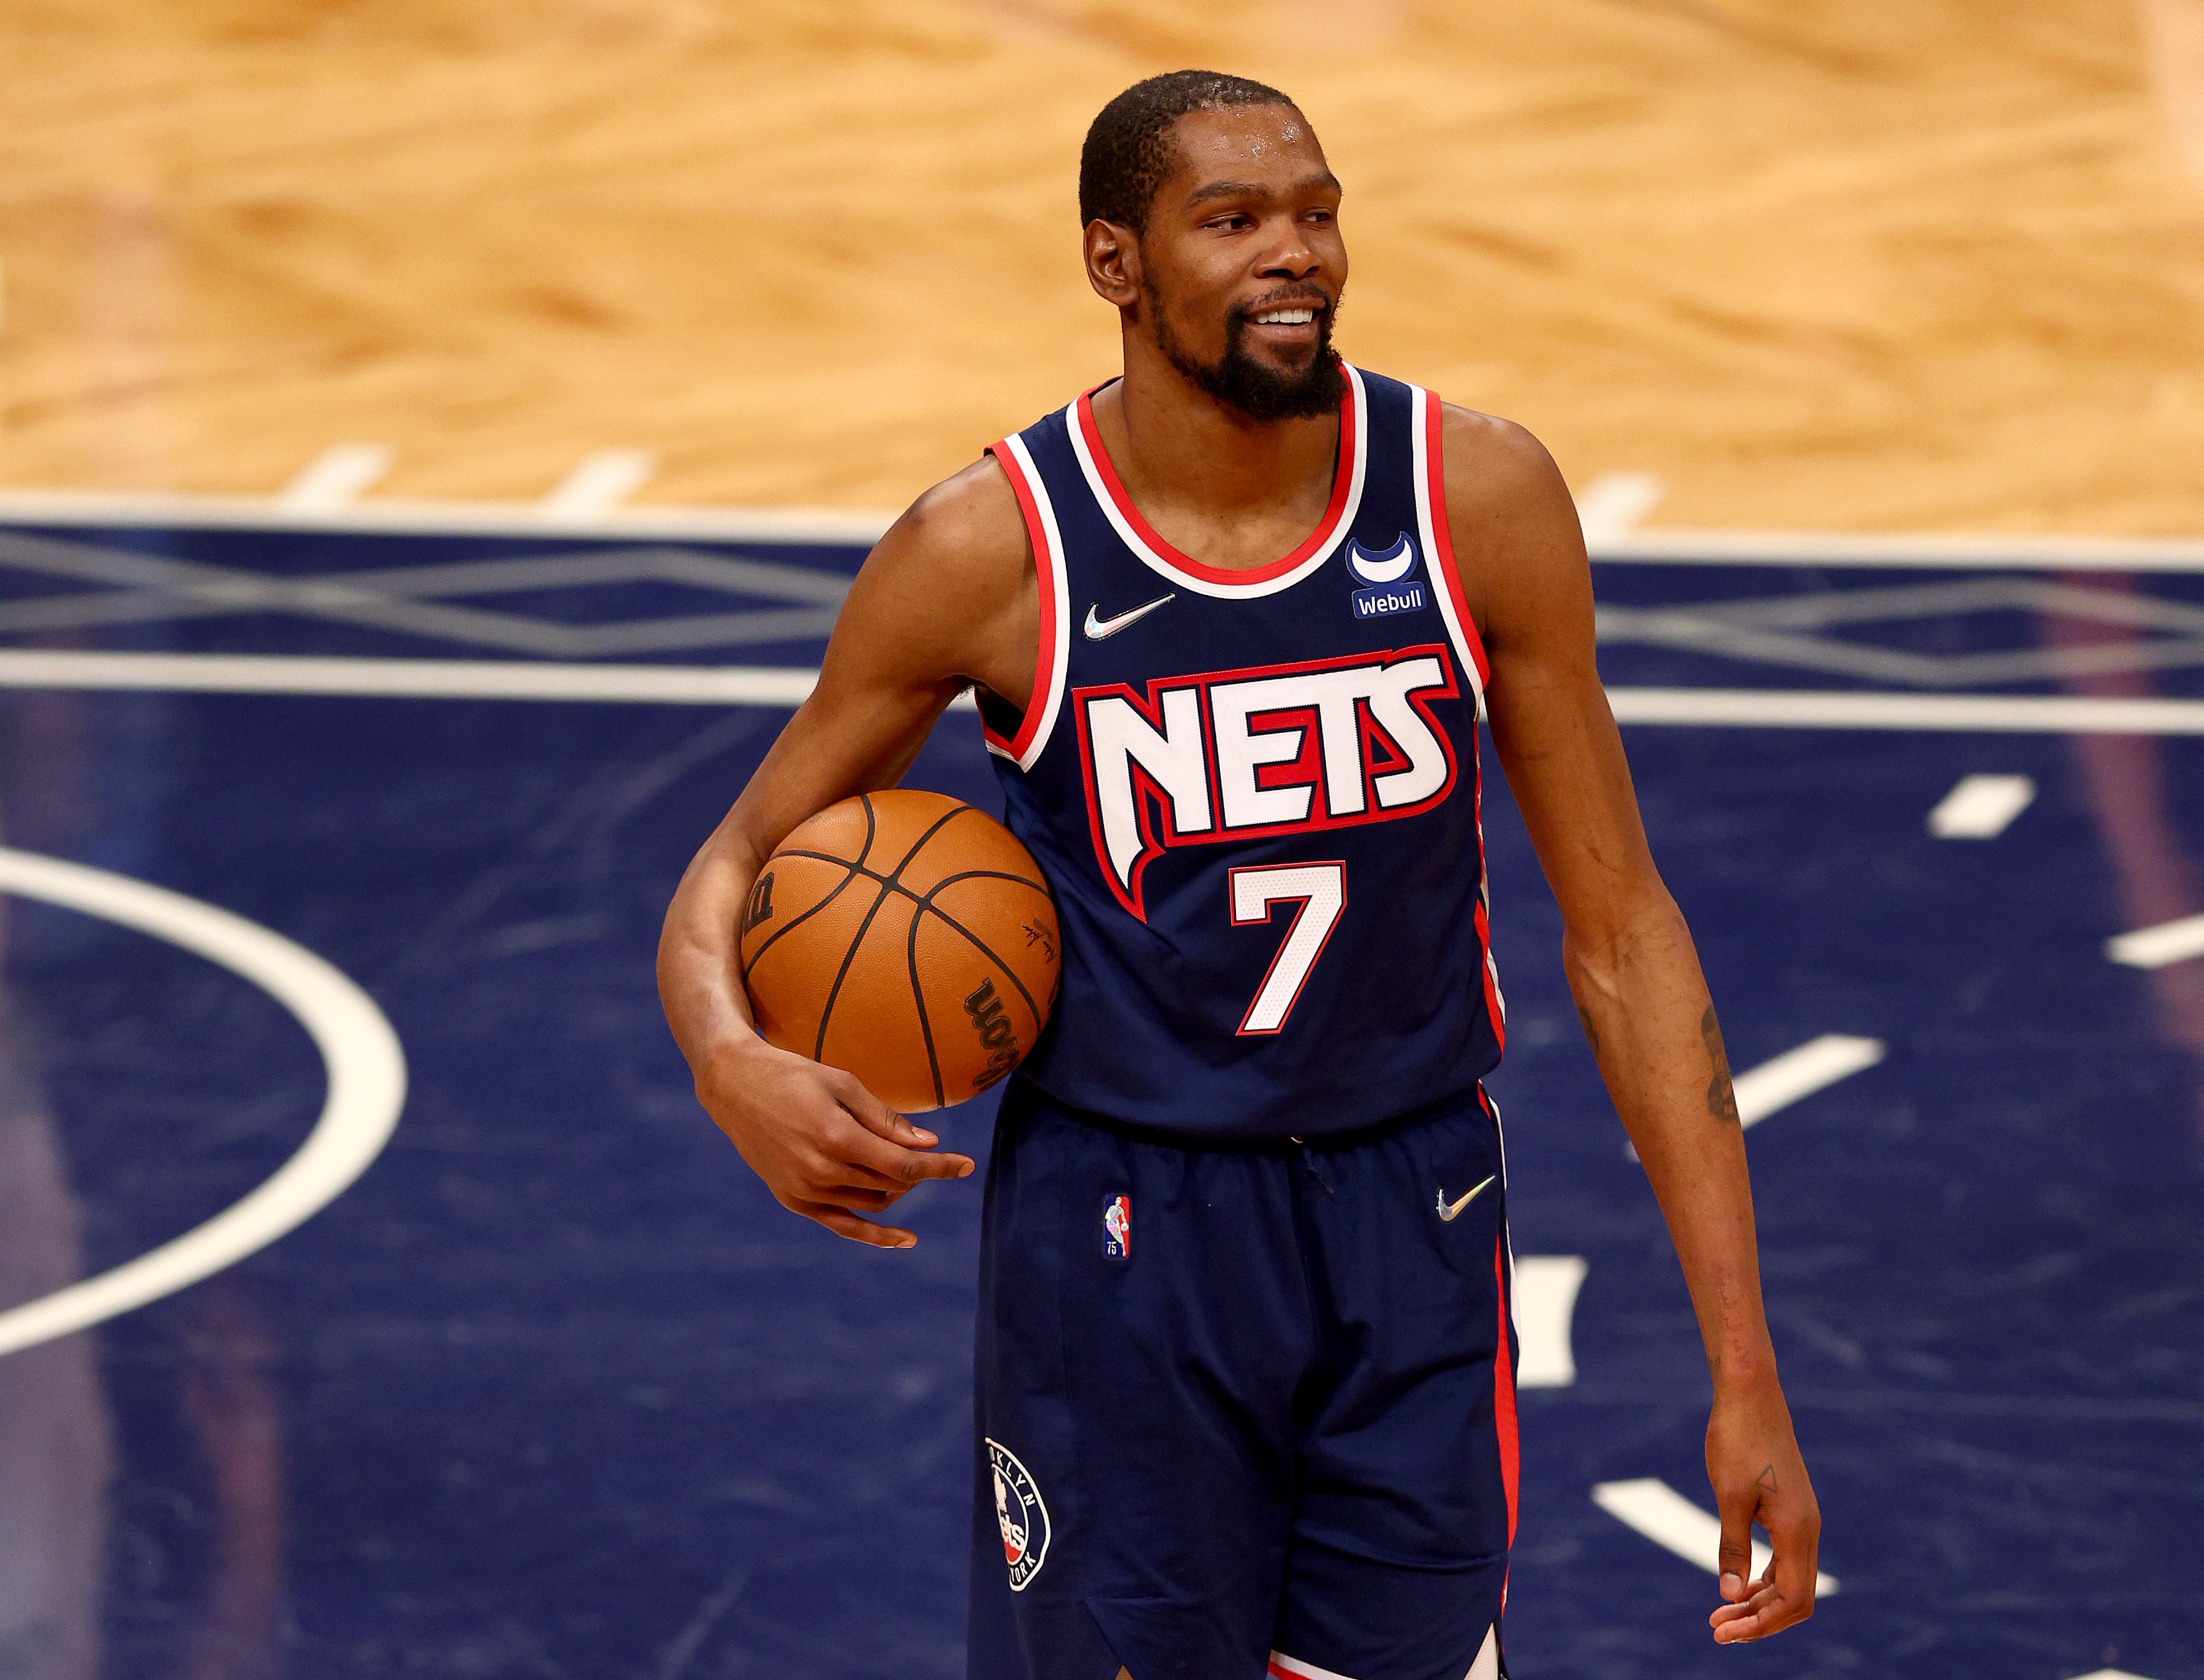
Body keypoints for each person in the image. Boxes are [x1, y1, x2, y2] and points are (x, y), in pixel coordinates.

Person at [658, 69, 1819, 1680]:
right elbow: (731, 868)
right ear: (1115, 264)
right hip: (1126, 1234)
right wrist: (734, 1060)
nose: (1298, 255)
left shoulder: (1477, 497)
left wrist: (1743, 1366)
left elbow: (1626, 934)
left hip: (1416, 1208)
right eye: (1234, 221)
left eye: (1319, 214)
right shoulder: (993, 551)